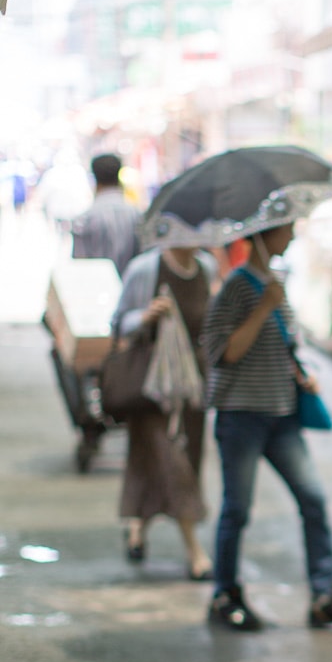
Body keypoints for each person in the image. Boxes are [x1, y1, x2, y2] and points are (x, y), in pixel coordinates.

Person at [202, 220, 332, 632]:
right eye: (286, 230)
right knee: (236, 510)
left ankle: (324, 594)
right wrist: (262, 309)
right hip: (242, 415)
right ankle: (225, 594)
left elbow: (289, 343)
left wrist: (303, 372)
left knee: (313, 500)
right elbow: (222, 352)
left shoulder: (275, 281)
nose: (292, 237)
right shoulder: (238, 286)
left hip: (283, 413)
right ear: (264, 235)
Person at [112, 243, 217, 577]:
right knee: (172, 463)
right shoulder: (145, 268)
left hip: (191, 387)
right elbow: (118, 321)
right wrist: (146, 316)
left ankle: (137, 528)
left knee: (161, 461)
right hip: (151, 387)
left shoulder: (206, 268)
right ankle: (194, 551)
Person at [72, 153, 141, 275]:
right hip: (131, 289)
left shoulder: (85, 219)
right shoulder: (136, 214)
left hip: (97, 290)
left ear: (95, 179)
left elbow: (79, 264)